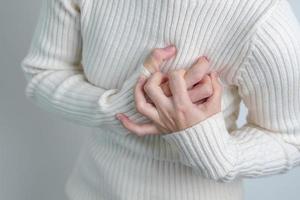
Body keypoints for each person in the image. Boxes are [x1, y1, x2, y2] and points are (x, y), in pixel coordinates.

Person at [21, 0, 300, 199]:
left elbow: (291, 138)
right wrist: (124, 107)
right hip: (89, 190)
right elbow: (43, 74)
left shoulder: (262, 15)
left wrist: (216, 154)